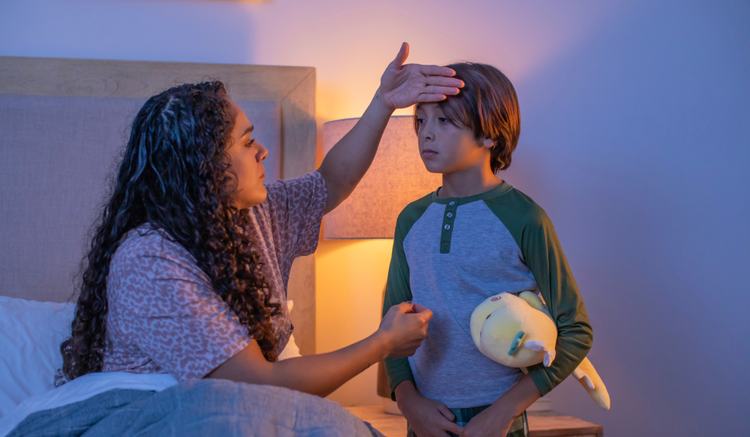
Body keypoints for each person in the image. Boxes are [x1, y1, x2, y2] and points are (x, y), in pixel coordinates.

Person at [6, 44, 464, 437]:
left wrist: (384, 102)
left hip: (234, 400)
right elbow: (254, 387)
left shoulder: (252, 214)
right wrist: (380, 345)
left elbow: (332, 181)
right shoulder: (147, 259)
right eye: (247, 142)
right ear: (204, 166)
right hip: (155, 411)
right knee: (227, 412)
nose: (262, 151)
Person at [382, 62, 594, 437]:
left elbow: (575, 330)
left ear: (490, 136)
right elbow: (391, 324)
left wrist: (504, 411)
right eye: (421, 120)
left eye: (444, 121)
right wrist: (409, 403)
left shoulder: (525, 217)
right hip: (424, 419)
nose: (426, 134)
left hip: (498, 421)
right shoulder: (410, 219)